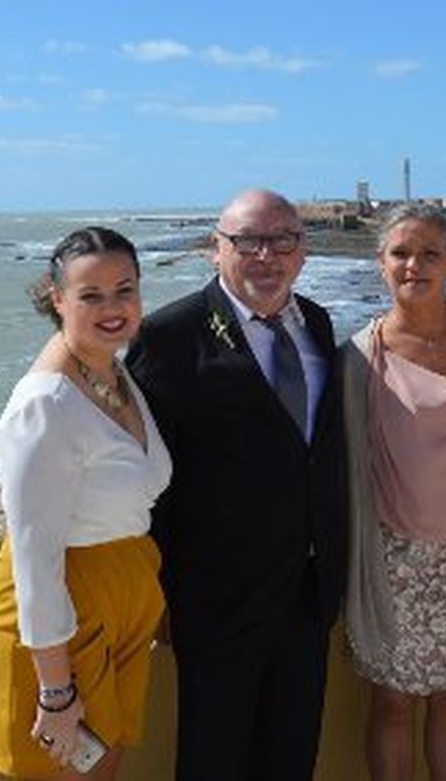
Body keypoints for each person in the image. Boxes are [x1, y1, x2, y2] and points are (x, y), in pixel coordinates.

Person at [125, 189, 347, 781]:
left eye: (283, 240)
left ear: (302, 251)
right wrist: (162, 592)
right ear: (215, 249)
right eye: (247, 241)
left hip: (308, 590)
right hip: (218, 600)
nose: (266, 255)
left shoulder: (317, 324)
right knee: (214, 757)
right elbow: (151, 480)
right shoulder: (170, 337)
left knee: (291, 752)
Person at [0, 227, 172, 779]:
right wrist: (56, 692)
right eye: (91, 295)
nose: (112, 308)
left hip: (123, 593)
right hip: (63, 616)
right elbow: (34, 555)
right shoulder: (43, 405)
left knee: (103, 768)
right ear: (57, 298)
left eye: (125, 290)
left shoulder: (113, 375)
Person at [342, 203, 446, 781]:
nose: (415, 265)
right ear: (381, 263)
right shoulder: (360, 358)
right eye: (401, 254)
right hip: (395, 560)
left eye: (429, 254)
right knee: (392, 704)